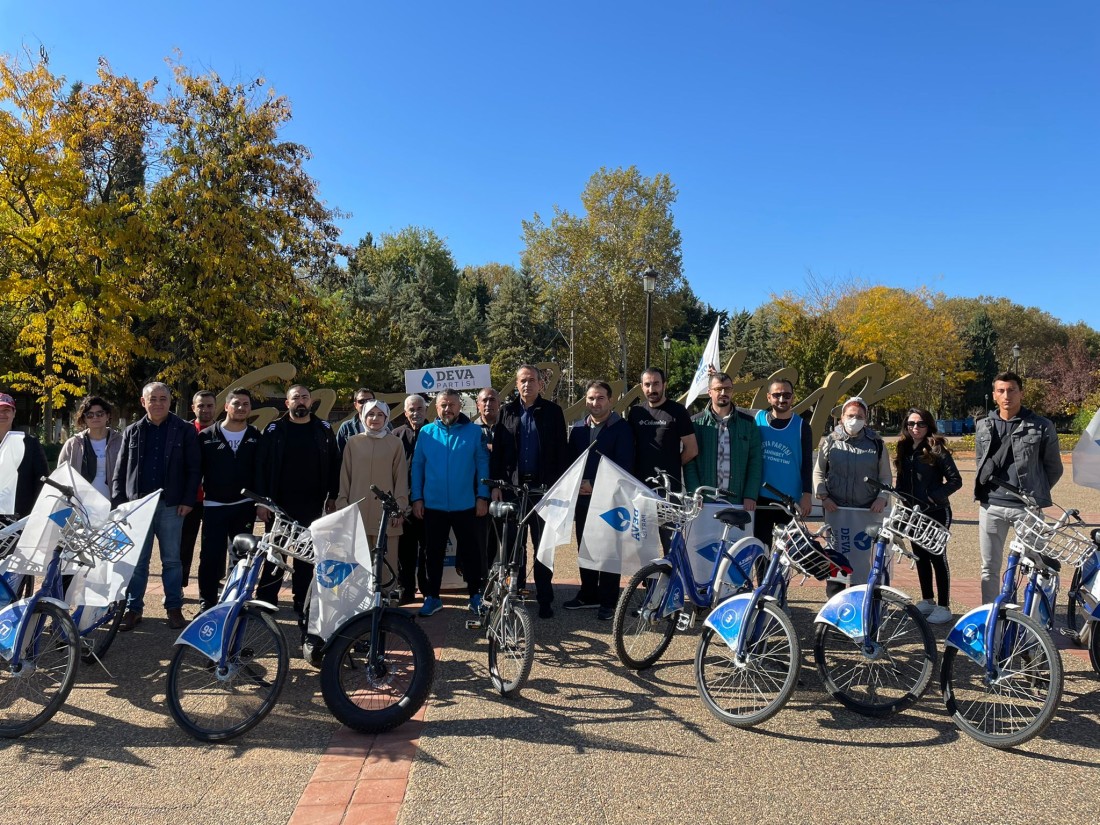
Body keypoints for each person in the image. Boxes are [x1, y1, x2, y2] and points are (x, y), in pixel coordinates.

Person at [111, 382, 201, 631]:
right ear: (143, 402)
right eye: (153, 399)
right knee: (138, 562)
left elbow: (194, 469)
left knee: (172, 560)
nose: (158, 403)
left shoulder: (184, 430)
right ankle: (133, 609)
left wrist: (187, 499)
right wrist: (120, 504)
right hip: (138, 506)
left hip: (171, 505)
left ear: (170, 401)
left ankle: (174, 608)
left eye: (163, 398)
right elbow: (120, 470)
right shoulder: (132, 431)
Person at [974, 371, 1063, 603]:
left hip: (1027, 508)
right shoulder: (983, 426)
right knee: (989, 568)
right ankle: (991, 618)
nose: (1007, 396)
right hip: (991, 506)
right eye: (1001, 391)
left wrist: (1035, 492)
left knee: (1033, 566)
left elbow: (1054, 468)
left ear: (1021, 393)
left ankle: (1028, 619)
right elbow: (980, 464)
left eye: (1012, 390)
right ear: (994, 395)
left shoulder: (1041, 426)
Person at [254, 385, 340, 616]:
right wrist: (262, 502)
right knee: (275, 554)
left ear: (311, 402)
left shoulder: (323, 429)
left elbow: (334, 464)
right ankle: (266, 600)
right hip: (279, 505)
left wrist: (333, 495)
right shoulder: (274, 430)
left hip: (312, 504)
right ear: (287, 403)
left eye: (304, 398)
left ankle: (303, 601)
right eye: (295, 398)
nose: (300, 402)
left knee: (306, 558)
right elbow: (261, 466)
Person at [493, 365, 568, 618]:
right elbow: (499, 455)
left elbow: (561, 452)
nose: (527, 385)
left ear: (540, 384)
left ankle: (545, 597)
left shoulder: (553, 412)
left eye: (532, 380)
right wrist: (496, 486)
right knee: (515, 546)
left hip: (543, 490)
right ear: (517, 384)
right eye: (522, 381)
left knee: (542, 545)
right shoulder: (507, 412)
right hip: (514, 489)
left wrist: (558, 486)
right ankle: (518, 592)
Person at [411, 389, 490, 617]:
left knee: (472, 552)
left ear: (460, 406)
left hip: (466, 504)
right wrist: (417, 497)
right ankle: (432, 597)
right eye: (443, 405)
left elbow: (483, 466)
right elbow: (417, 467)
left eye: (452, 405)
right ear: (437, 407)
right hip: (433, 505)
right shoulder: (426, 432)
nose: (448, 409)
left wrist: (482, 496)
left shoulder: (474, 433)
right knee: (432, 553)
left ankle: (475, 595)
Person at [563, 380, 634, 620]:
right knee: (587, 548)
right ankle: (588, 594)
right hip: (583, 501)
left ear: (610, 400)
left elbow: (624, 466)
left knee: (610, 551)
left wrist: (595, 485)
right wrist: (578, 485)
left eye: (600, 398)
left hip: (610, 501)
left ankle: (608, 600)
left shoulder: (621, 428)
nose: (595, 403)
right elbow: (571, 464)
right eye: (591, 398)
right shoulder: (578, 430)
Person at [812, 396, 891, 596]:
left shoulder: (877, 444)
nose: (854, 419)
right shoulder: (830, 441)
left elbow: (885, 476)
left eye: (859, 416)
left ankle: (859, 599)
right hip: (835, 510)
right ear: (841, 418)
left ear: (866, 419)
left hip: (865, 513)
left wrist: (882, 497)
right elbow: (819, 472)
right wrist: (823, 496)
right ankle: (835, 602)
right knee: (836, 557)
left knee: (861, 560)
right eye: (850, 415)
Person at [196, 388, 262, 611]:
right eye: (236, 403)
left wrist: (261, 502)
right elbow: (195, 472)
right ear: (226, 407)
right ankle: (207, 601)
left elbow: (261, 471)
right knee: (210, 556)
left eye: (245, 404)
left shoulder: (255, 436)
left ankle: (236, 598)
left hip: (243, 506)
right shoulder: (206, 437)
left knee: (242, 557)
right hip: (214, 505)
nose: (241, 408)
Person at [895, 408, 962, 624]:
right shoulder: (904, 448)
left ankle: (944, 605)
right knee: (920, 556)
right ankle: (927, 599)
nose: (916, 428)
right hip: (913, 513)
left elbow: (955, 480)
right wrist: (901, 502)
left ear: (929, 425)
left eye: (921, 424)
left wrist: (933, 497)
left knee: (937, 558)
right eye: (911, 424)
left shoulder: (936, 448)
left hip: (936, 512)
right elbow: (902, 480)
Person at [335, 399, 408, 587]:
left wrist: (399, 508)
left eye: (380, 414)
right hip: (357, 512)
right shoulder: (353, 443)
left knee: (387, 560)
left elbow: (400, 479)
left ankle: (386, 602)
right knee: (359, 561)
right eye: (370, 414)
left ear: (386, 417)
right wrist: (343, 505)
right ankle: (362, 607)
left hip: (386, 512)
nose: (375, 418)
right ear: (362, 416)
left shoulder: (395, 444)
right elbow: (345, 477)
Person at [683, 371, 763, 511]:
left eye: (727, 389)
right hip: (704, 501)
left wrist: (750, 495)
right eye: (718, 389)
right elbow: (690, 463)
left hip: (738, 501)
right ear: (709, 392)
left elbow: (755, 461)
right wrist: (694, 493)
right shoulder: (695, 423)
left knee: (738, 534)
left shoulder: (748, 423)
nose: (723, 392)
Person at [628, 367, 698, 491]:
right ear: (641, 387)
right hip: (639, 486)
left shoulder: (678, 411)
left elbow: (692, 450)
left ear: (664, 385)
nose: (651, 389)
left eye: (656, 384)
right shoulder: (635, 412)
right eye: (647, 385)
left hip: (668, 487)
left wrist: (672, 466)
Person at [392, 393, 428, 605]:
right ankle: (406, 590)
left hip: (429, 502)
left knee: (427, 550)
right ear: (405, 413)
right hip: (403, 503)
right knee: (405, 551)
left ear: (426, 410)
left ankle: (427, 589)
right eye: (411, 410)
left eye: (420, 409)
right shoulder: (396, 435)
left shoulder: (434, 432)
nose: (416, 413)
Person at [180, 390, 216, 590]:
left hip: (214, 498)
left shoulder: (222, 431)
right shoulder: (184, 431)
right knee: (184, 545)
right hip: (190, 498)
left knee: (212, 546)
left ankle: (212, 583)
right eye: (201, 405)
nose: (205, 409)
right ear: (193, 408)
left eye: (210, 405)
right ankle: (180, 584)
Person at [57, 396, 122, 501]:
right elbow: (60, 476)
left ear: (107, 415)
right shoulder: (73, 444)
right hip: (81, 504)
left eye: (100, 413)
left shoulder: (120, 442)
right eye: (90, 415)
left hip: (114, 502)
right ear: (84, 418)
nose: (95, 417)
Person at [474, 387, 509, 573]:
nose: (489, 404)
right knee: (480, 541)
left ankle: (502, 581)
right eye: (485, 400)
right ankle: (480, 581)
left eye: (493, 400)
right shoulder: (470, 431)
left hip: (504, 492)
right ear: (478, 404)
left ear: (499, 404)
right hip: (477, 494)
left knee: (503, 540)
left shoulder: (509, 428)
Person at [0, 391, 48, 518]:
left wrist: (35, 513)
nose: (2, 414)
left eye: (6, 410)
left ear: (14, 413)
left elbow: (42, 479)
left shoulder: (30, 443)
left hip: (20, 517)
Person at [336, 388, 376, 455]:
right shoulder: (346, 427)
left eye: (370, 401)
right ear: (355, 405)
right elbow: (338, 454)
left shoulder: (385, 425)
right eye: (362, 401)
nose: (366, 404)